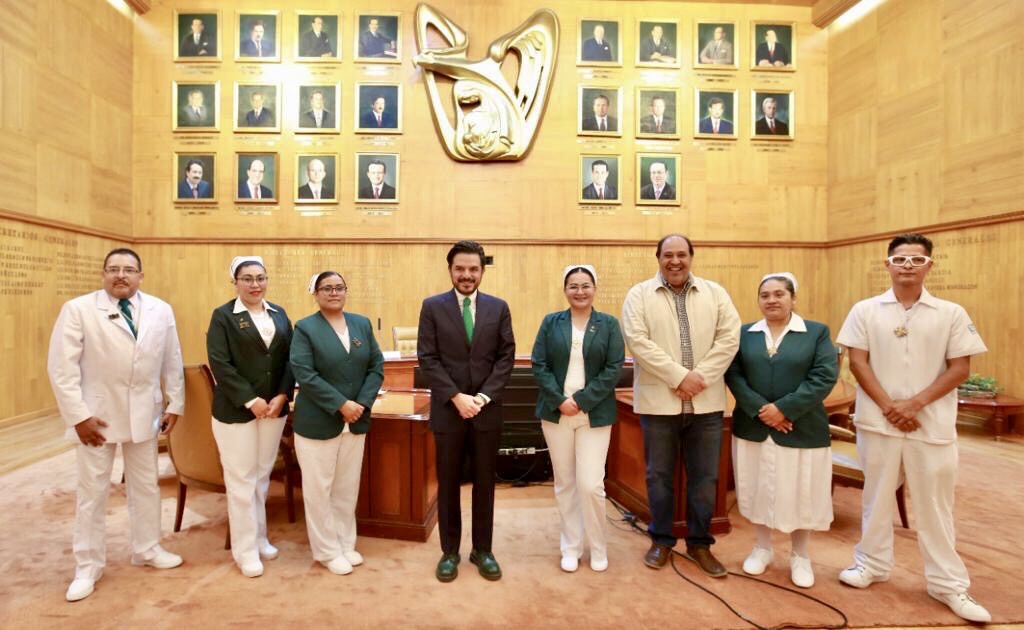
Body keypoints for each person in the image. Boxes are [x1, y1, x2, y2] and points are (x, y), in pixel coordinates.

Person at [835, 234, 991, 623]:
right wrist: (891, 407)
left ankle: (948, 584)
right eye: (900, 259)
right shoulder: (865, 310)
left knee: (936, 506)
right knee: (876, 498)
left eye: (916, 260)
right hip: (879, 424)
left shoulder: (951, 313)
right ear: (887, 264)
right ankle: (871, 564)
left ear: (929, 266)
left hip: (930, 425)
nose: (908, 266)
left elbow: (960, 368)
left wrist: (914, 404)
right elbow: (858, 363)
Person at [47, 248, 185, 602]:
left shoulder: (160, 310)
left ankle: (147, 548)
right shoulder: (78, 310)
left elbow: (172, 360)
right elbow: (62, 369)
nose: (121, 275)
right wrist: (78, 417)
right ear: (103, 274)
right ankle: (87, 566)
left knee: (146, 486)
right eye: (113, 269)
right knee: (92, 494)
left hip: (145, 413)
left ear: (141, 275)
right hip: (97, 417)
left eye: (129, 269)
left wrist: (175, 403)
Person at [620, 234, 740, 577]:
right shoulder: (639, 295)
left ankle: (700, 544)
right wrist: (679, 376)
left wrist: (699, 377)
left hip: (706, 404)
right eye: (668, 255)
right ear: (658, 258)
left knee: (705, 478)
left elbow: (729, 338)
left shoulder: (715, 293)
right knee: (658, 476)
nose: (675, 261)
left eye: (681, 255)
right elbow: (637, 341)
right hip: (659, 405)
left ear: (691, 257)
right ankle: (661, 539)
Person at [725, 273, 837, 588]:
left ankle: (800, 555)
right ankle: (762, 548)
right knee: (759, 487)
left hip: (801, 428)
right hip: (754, 425)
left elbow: (824, 376)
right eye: (765, 295)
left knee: (801, 492)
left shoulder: (815, 332)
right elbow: (733, 374)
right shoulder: (744, 333)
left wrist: (784, 409)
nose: (771, 300)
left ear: (793, 298)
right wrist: (763, 410)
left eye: (779, 294)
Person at [417, 241, 515, 582]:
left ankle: (482, 550)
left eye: (473, 269)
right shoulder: (432, 307)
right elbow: (428, 358)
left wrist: (483, 397)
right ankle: (449, 552)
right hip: (449, 411)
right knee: (447, 484)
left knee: (485, 484)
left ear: (482, 271)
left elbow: (505, 357)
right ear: (450, 270)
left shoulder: (499, 308)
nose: (467, 275)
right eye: (460, 268)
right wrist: (457, 397)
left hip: (487, 412)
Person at [289, 271, 384, 576]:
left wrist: (361, 404)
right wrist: (341, 404)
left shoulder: (361, 324)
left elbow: (376, 366)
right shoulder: (305, 328)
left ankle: (345, 543)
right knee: (319, 491)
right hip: (319, 421)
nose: (333, 293)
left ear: (345, 291)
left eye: (339, 287)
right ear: (315, 294)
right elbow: (304, 373)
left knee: (346, 488)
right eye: (326, 288)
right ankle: (327, 551)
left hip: (355, 420)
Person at [531, 265, 624, 573]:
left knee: (590, 484)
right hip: (556, 414)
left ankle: (597, 547)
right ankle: (570, 547)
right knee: (565, 482)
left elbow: (613, 368)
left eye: (586, 285)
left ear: (594, 289)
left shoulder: (609, 324)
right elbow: (539, 364)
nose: (580, 291)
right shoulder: (551, 322)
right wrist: (560, 401)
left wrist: (581, 400)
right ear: (565, 290)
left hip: (594, 414)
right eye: (573, 286)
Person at [206, 257, 294, 578]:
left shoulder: (279, 313)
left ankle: (260, 538)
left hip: (274, 409)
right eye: (247, 278)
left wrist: (283, 395)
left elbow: (291, 359)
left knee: (261, 477)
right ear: (236, 282)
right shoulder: (223, 317)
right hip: (236, 411)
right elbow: (220, 363)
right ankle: (244, 551)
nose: (255, 284)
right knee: (241, 480)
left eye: (260, 278)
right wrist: (250, 400)